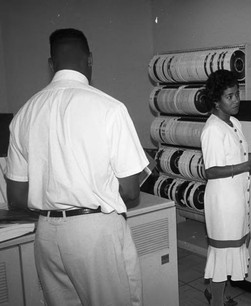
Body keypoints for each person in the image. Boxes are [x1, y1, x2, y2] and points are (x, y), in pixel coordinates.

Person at [5, 28, 148, 306]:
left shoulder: (24, 114)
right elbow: (131, 193)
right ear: (90, 59)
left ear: (50, 64)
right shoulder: (110, 108)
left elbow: (17, 199)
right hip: (94, 233)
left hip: (46, 235)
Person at [200, 69, 251, 306]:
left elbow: (236, 158)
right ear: (216, 101)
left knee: (232, 251)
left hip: (237, 199)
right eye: (230, 96)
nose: (236, 100)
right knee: (223, 255)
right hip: (223, 203)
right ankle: (216, 300)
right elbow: (212, 171)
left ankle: (215, 292)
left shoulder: (234, 123)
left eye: (237, 94)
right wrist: (247, 165)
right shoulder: (212, 130)